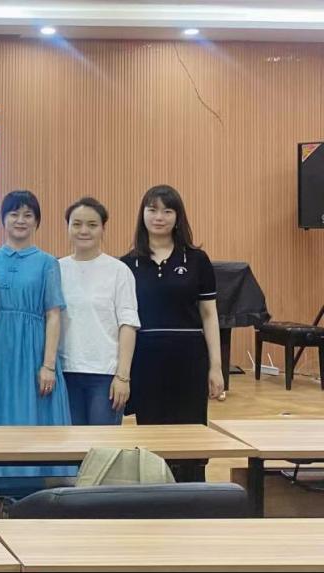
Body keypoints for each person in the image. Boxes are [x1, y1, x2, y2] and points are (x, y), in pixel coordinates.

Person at [122, 185, 223, 480]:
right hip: (146, 360)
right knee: (151, 434)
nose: (159, 217)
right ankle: (156, 492)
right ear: (142, 214)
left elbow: (209, 315)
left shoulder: (197, 260)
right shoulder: (127, 264)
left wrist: (216, 366)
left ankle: (193, 492)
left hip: (189, 359)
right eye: (152, 210)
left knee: (192, 433)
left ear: (178, 217)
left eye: (167, 211)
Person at [0, 190, 73, 477]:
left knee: (33, 414)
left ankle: (36, 483)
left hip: (33, 350)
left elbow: (53, 314)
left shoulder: (47, 262)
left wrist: (48, 365)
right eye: (14, 214)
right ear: (2, 220)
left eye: (28, 215)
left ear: (37, 222)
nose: (20, 220)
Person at [58, 197, 140, 426]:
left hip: (105, 375)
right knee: (69, 444)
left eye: (92, 225)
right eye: (76, 224)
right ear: (68, 228)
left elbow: (128, 325)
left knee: (103, 444)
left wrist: (123, 376)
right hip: (65, 373)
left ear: (103, 228)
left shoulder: (119, 271)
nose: (84, 230)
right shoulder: (57, 269)